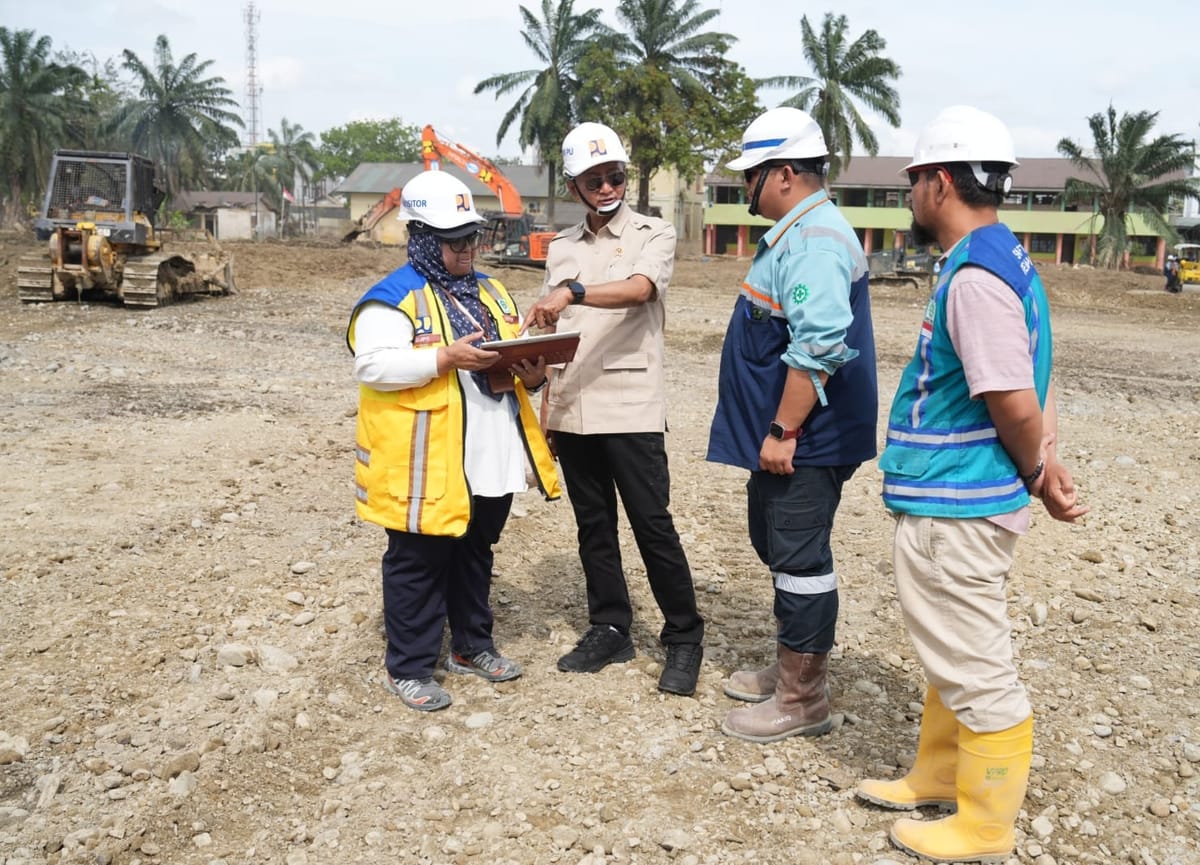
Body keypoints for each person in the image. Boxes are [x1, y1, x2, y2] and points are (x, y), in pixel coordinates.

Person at [853, 106, 1089, 863]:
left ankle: (985, 820)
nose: (911, 193)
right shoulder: (1003, 258)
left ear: (940, 181)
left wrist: (1034, 469)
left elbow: (1012, 396)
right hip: (959, 496)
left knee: (979, 664)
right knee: (949, 647)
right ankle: (939, 771)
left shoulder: (976, 276)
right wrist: (1043, 462)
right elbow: (1031, 386)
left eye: (915, 179)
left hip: (960, 504)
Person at [346, 169, 561, 712]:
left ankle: (471, 645)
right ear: (420, 236)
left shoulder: (489, 289)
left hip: (490, 451)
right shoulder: (391, 299)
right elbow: (372, 367)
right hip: (427, 460)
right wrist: (444, 357)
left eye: (472, 237)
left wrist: (533, 371)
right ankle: (411, 667)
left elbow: (513, 359)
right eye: (454, 240)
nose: (468, 249)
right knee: (417, 561)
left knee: (475, 550)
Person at [706, 107, 879, 742]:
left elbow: (820, 344)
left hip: (804, 438)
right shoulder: (798, 235)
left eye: (750, 173)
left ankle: (803, 697)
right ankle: (790, 668)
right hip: (786, 438)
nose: (745, 186)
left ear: (782, 174)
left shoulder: (814, 241)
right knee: (777, 542)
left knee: (800, 557)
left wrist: (783, 432)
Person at [520, 121, 705, 696]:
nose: (607, 187)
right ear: (574, 186)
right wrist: (541, 399)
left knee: (653, 525)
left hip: (629, 403)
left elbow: (639, 290)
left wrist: (570, 291)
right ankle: (610, 626)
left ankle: (683, 637)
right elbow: (558, 329)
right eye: (594, 179)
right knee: (593, 527)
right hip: (573, 404)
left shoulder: (654, 232)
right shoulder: (562, 247)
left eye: (615, 175)